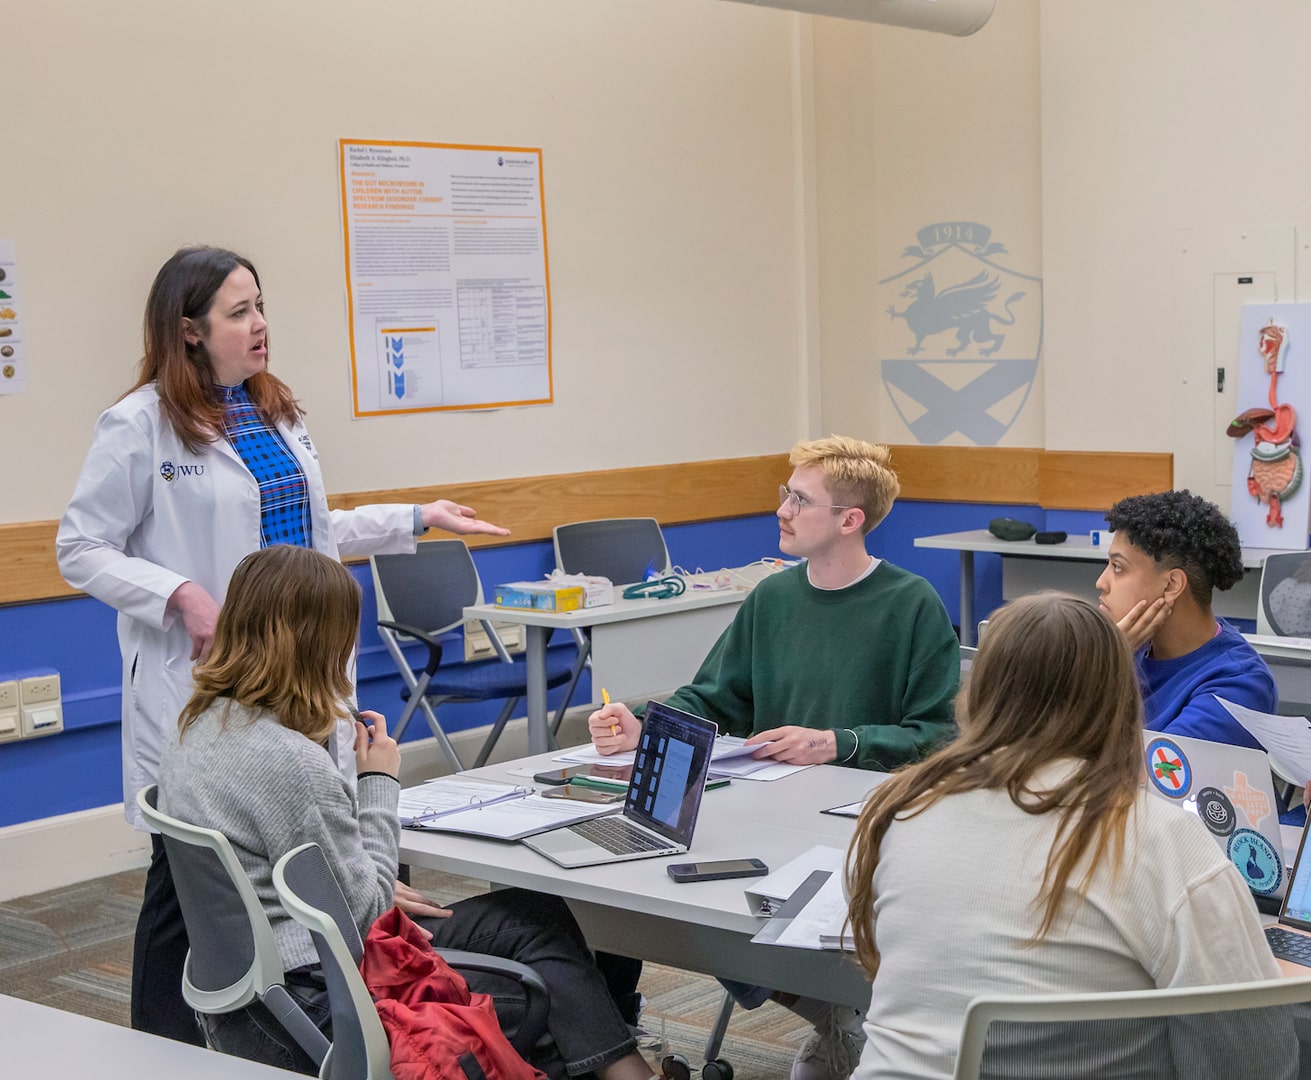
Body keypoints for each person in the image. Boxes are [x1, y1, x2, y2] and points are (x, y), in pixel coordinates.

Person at [55, 246, 508, 1046]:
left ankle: (364, 1024)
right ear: (189, 330)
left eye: (261, 306)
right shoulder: (139, 424)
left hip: (299, 677)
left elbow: (307, 534)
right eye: (239, 313)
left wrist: (413, 517)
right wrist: (180, 595)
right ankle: (158, 1048)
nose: (260, 325)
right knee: (188, 878)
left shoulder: (274, 413)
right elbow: (79, 548)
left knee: (324, 853)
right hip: (211, 685)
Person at [157, 546, 654, 1079]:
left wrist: (353, 878)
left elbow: (289, 873)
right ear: (319, 643)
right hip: (324, 999)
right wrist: (378, 781)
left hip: (254, 996)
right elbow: (364, 917)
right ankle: (626, 1073)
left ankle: (621, 1069)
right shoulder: (291, 762)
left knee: (535, 916)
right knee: (540, 956)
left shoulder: (196, 730)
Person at [587, 434, 960, 1080]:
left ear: (850, 521)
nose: (781, 510)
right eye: (785, 493)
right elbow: (716, 697)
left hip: (859, 824)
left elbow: (936, 736)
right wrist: (642, 724)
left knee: (762, 918)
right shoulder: (771, 599)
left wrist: (838, 743)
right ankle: (833, 1016)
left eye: (799, 498)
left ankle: (845, 1014)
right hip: (768, 813)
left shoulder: (912, 605)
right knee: (679, 905)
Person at [844, 592, 1297, 1080]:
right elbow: (1255, 1059)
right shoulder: (1159, 837)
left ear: (978, 692)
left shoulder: (902, 807)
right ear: (1121, 698)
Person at [1095, 490, 1277, 749]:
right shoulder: (1127, 646)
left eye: (1117, 567)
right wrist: (1109, 657)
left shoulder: (1238, 684)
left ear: (1171, 585)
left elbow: (1158, 776)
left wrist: (1107, 665)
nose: (1101, 583)